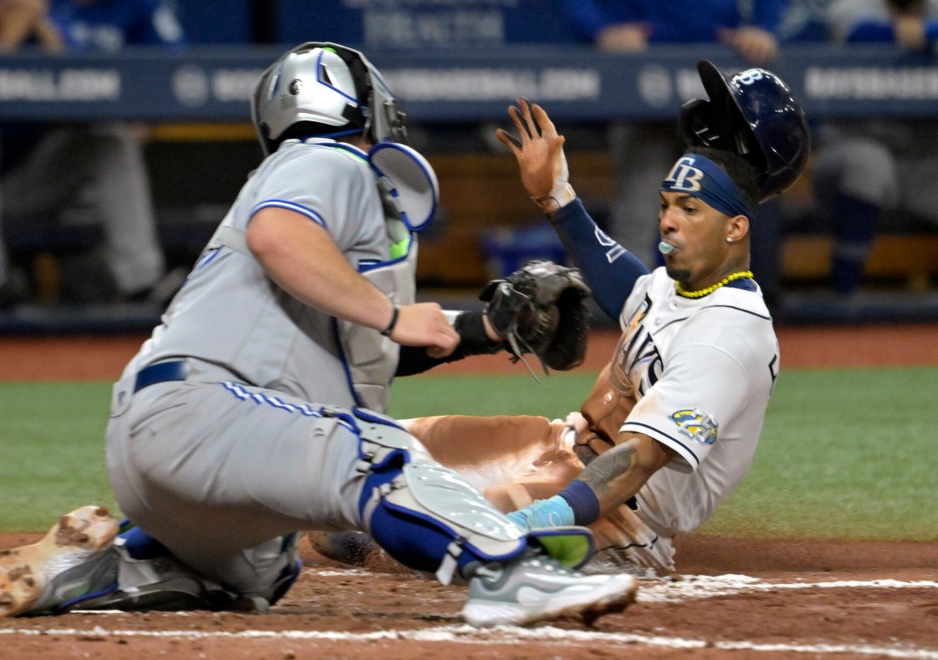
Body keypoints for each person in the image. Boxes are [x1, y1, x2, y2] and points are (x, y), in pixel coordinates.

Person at [0, 42, 639, 628]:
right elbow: (277, 237)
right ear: (346, 101)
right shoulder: (327, 159)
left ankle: (107, 566)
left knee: (261, 571)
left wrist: (482, 327)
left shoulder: (326, 221)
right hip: (204, 412)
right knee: (377, 449)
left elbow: (360, 346)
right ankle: (506, 575)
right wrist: (393, 314)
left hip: (188, 457)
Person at [312, 61, 811, 577]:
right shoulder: (677, 287)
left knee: (436, 536)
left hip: (616, 515)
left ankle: (440, 542)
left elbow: (639, 458)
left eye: (689, 209)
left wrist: (540, 516)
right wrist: (555, 195)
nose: (667, 220)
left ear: (735, 228)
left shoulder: (727, 336)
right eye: (666, 205)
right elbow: (630, 286)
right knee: (353, 454)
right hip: (554, 447)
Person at [0, 0, 174, 305]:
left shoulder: (44, 19)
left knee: (110, 139)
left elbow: (82, 93)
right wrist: (9, 37)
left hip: (14, 182)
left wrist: (40, 27)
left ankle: (142, 283)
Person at [553, 0, 789, 278]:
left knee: (729, 213)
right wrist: (600, 29)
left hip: (719, 65)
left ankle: (735, 310)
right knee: (638, 215)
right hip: (639, 70)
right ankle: (637, 312)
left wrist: (763, 27)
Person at [811, 0, 938, 294]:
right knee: (869, 163)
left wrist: (926, 30)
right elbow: (860, 33)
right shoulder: (855, 6)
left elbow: (922, 31)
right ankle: (844, 297)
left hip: (922, 163)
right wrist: (906, 33)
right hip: (850, 150)